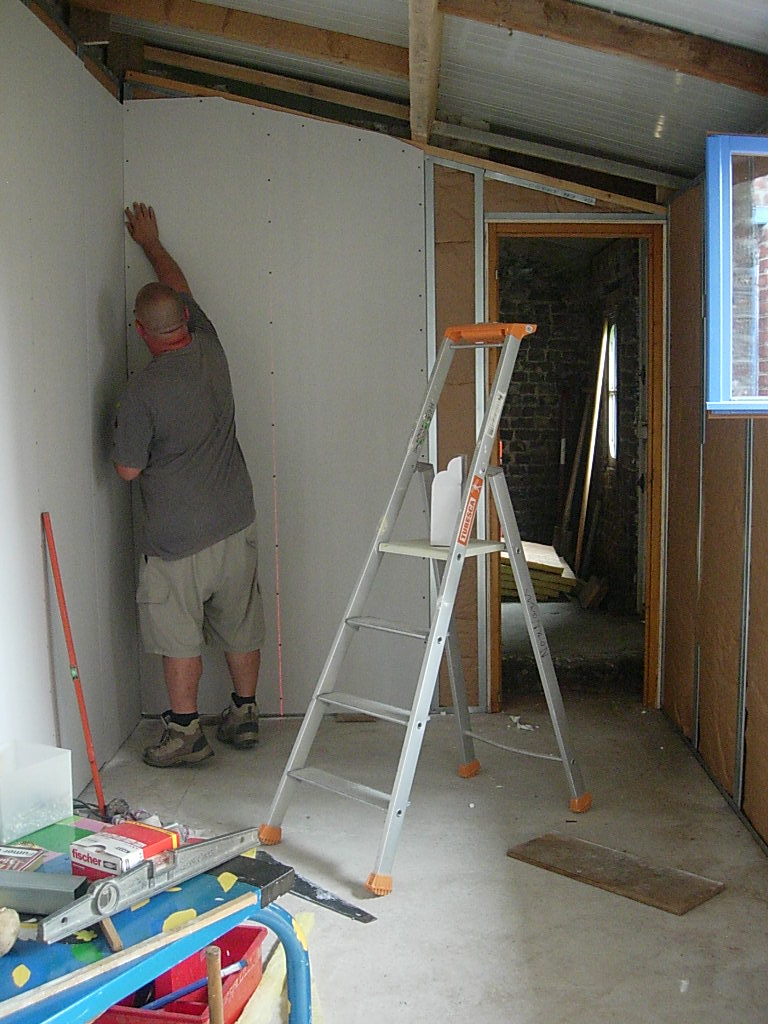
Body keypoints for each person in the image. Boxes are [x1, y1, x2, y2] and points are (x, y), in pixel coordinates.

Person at [113, 202, 264, 768]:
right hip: (235, 521)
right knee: (240, 622)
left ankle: (184, 733)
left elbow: (127, 470)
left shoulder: (141, 391)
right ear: (183, 318)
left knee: (179, 635)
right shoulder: (210, 344)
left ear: (140, 331)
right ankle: (245, 713)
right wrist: (152, 244)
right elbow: (178, 286)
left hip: (178, 542)